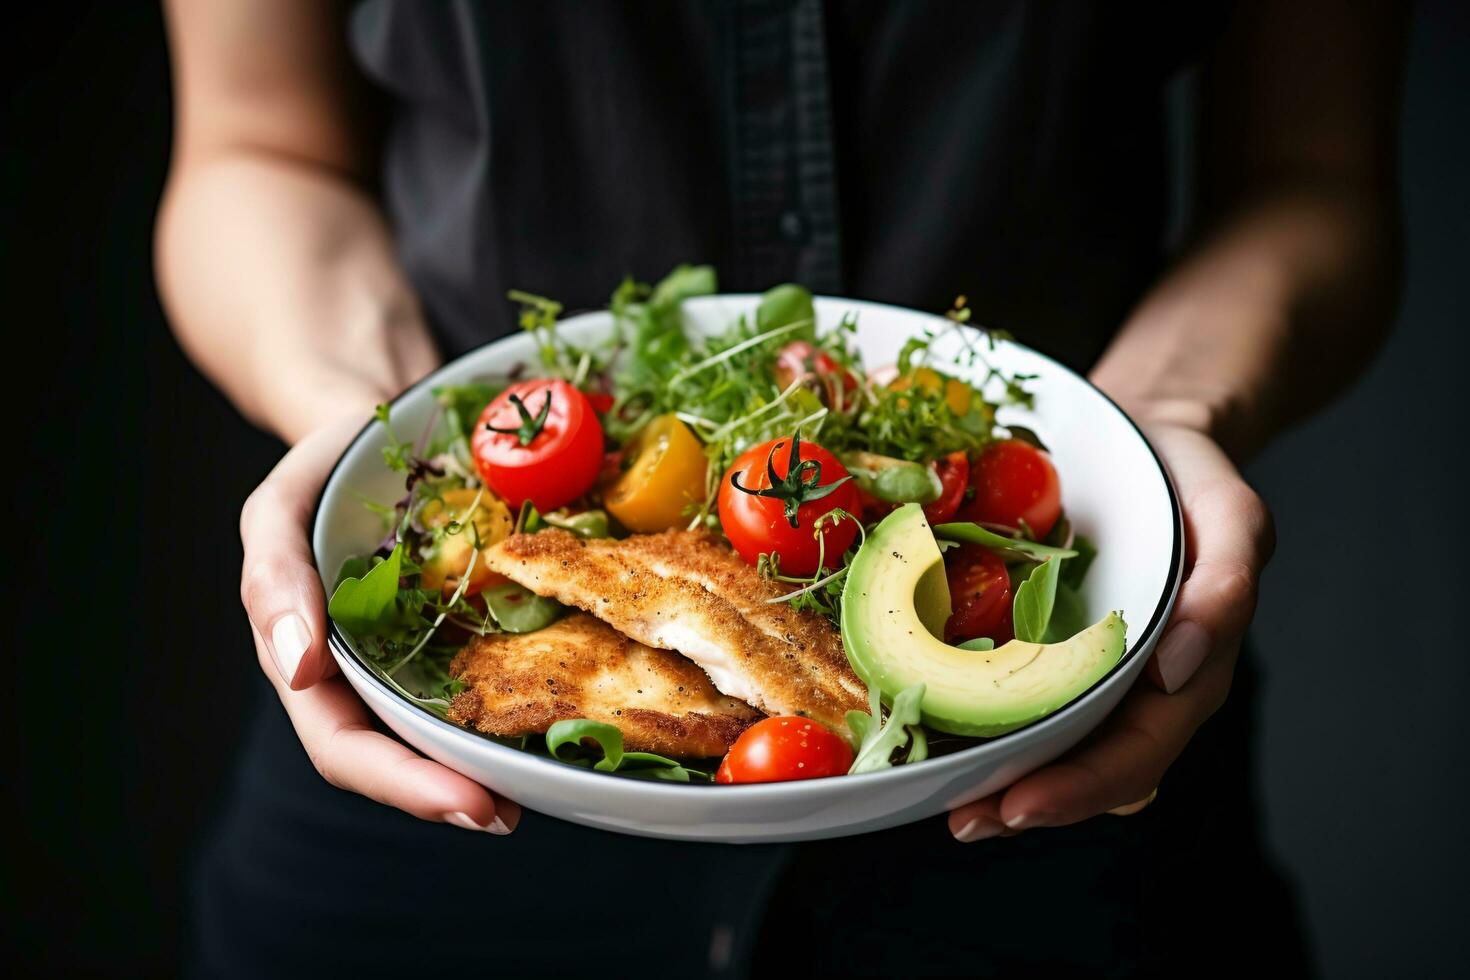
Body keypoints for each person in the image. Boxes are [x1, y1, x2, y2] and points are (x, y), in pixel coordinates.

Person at [157, 1, 1404, 974]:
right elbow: (256, 146)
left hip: (1066, 775)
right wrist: (363, 419)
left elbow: (1311, 174)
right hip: (421, 823)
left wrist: (1165, 419)